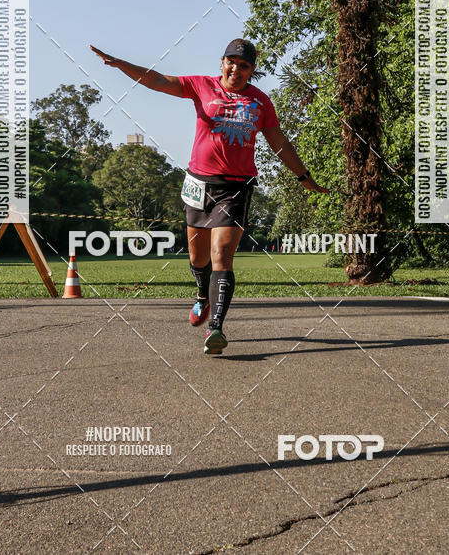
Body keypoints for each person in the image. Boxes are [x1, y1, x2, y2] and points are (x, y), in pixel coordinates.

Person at [90, 39, 327, 355]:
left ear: (251, 70)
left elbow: (278, 142)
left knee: (222, 253)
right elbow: (158, 80)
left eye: (244, 66)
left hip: (236, 186)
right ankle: (203, 294)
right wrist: (122, 64)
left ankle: (216, 327)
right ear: (222, 63)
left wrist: (303, 176)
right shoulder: (202, 85)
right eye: (231, 62)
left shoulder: (261, 102)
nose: (236, 69)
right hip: (199, 183)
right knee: (198, 258)